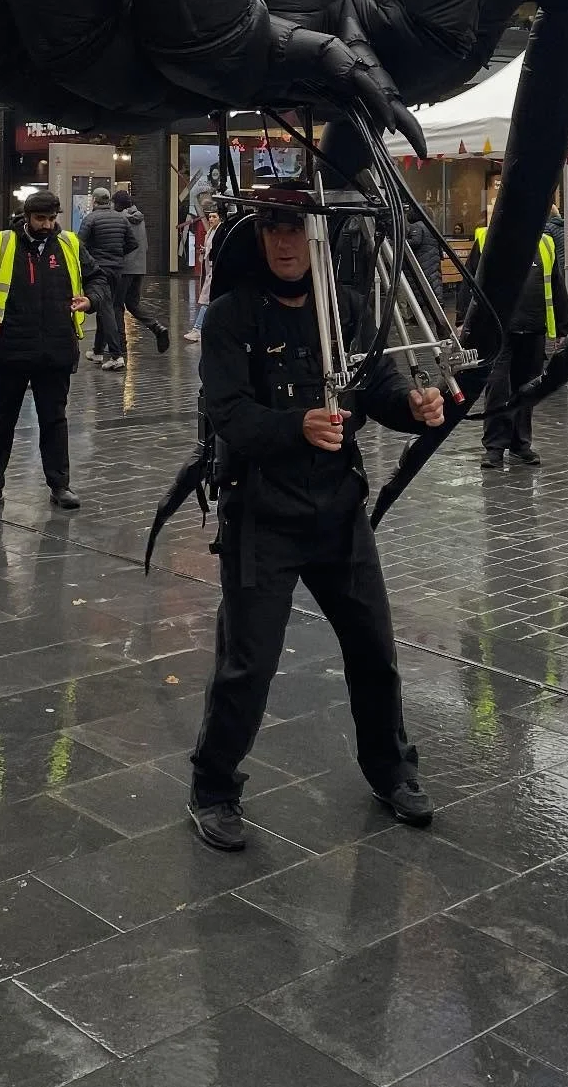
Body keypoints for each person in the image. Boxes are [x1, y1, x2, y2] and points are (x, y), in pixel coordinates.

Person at [187, 190, 444, 851]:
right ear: (258, 234)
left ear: (318, 238)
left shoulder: (346, 309)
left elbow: (374, 388)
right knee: (248, 663)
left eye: (297, 229)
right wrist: (294, 425)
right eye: (273, 228)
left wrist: (411, 406)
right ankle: (213, 787)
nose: (284, 242)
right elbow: (230, 415)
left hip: (338, 512)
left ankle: (391, 770)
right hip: (261, 515)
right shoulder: (229, 317)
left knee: (374, 649)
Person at [0, 189, 100, 515]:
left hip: (56, 349)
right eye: (41, 219)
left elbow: (98, 278)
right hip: (11, 349)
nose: (48, 225)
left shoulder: (69, 245)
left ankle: (60, 485)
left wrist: (91, 299)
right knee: (2, 421)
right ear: (27, 217)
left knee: (54, 420)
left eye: (52, 218)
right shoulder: (1, 243)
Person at [465, 216, 568, 470]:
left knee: (527, 388)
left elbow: (555, 284)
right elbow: (470, 281)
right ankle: (494, 447)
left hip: (534, 328)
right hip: (498, 331)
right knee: (498, 387)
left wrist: (563, 327)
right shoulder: (487, 239)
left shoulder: (545, 243)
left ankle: (520, 444)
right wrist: (463, 321)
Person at [78, 185, 139, 370]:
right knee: (106, 308)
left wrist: (91, 260)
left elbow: (79, 245)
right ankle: (97, 351)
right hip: (116, 270)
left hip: (98, 270)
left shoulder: (90, 219)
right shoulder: (121, 219)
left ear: (94, 201)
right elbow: (132, 243)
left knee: (106, 311)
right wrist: (117, 256)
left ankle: (115, 355)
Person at [111, 189, 171, 354]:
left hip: (125, 268)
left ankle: (120, 346)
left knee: (116, 305)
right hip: (140, 267)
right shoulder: (139, 217)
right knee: (132, 303)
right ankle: (156, 327)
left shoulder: (121, 219)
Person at [185, 208, 220, 341]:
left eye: (214, 217)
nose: (211, 219)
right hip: (210, 268)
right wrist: (205, 250)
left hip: (213, 270)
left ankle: (198, 329)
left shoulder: (218, 232)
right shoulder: (210, 232)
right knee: (210, 301)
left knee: (206, 300)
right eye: (210, 217)